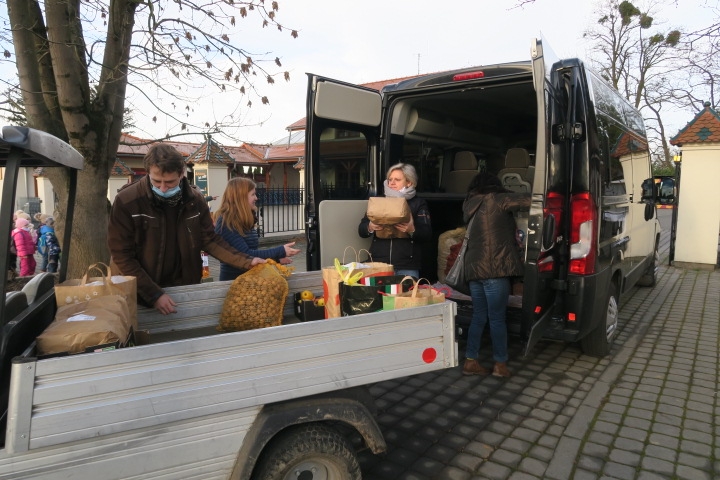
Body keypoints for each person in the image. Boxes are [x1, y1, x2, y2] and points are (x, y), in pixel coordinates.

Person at [108, 143, 265, 315]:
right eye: (156, 181)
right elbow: (122, 256)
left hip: (182, 287)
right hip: (137, 292)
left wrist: (247, 260)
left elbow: (210, 240)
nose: (162, 188)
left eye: (169, 182)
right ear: (148, 173)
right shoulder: (127, 201)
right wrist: (153, 294)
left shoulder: (195, 200)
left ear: (182, 174)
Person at [461, 172, 531, 378]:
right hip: (495, 268)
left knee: (478, 316)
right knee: (497, 319)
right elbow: (530, 200)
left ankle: (470, 361)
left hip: (474, 270)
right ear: (495, 186)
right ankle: (500, 365)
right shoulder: (497, 199)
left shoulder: (469, 204)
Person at [214, 177, 300, 281]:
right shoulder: (226, 222)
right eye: (253, 194)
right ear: (240, 197)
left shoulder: (242, 220)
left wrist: (276, 259)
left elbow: (253, 254)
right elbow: (246, 255)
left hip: (248, 281)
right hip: (234, 283)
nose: (256, 198)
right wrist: (280, 251)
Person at [358, 163, 431, 278]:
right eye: (390, 179)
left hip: (407, 266)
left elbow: (427, 234)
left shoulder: (418, 203)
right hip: (378, 264)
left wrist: (412, 230)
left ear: (409, 182)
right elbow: (361, 230)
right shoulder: (378, 201)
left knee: (406, 296)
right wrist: (370, 226)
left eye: (397, 179)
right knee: (379, 296)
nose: (391, 183)